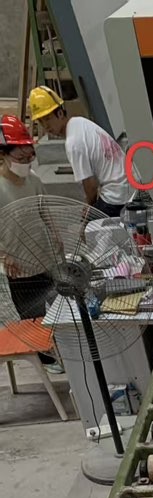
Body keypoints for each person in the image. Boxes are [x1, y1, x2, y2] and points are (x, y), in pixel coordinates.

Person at [0, 113, 60, 368]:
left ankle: (61, 352)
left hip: (44, 259)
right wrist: (4, 257)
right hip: (19, 269)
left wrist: (57, 237)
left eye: (30, 157)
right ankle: (48, 362)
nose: (26, 163)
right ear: (3, 155)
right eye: (21, 158)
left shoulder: (33, 180)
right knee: (33, 318)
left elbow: (45, 211)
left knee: (58, 312)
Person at [28, 86, 132, 217]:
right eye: (41, 122)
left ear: (60, 114)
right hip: (128, 184)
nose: (46, 126)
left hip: (117, 195)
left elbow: (91, 186)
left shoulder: (73, 143)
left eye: (48, 118)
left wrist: (88, 208)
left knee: (90, 226)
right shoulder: (80, 122)